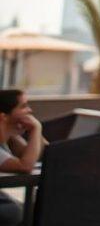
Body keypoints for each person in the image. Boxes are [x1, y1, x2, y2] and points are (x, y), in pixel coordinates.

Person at [0, 89, 47, 225]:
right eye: (23, 106)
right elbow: (25, 166)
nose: (30, 111)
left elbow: (41, 153)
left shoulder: (10, 138)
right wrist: (37, 128)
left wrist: (34, 131)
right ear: (4, 117)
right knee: (15, 212)